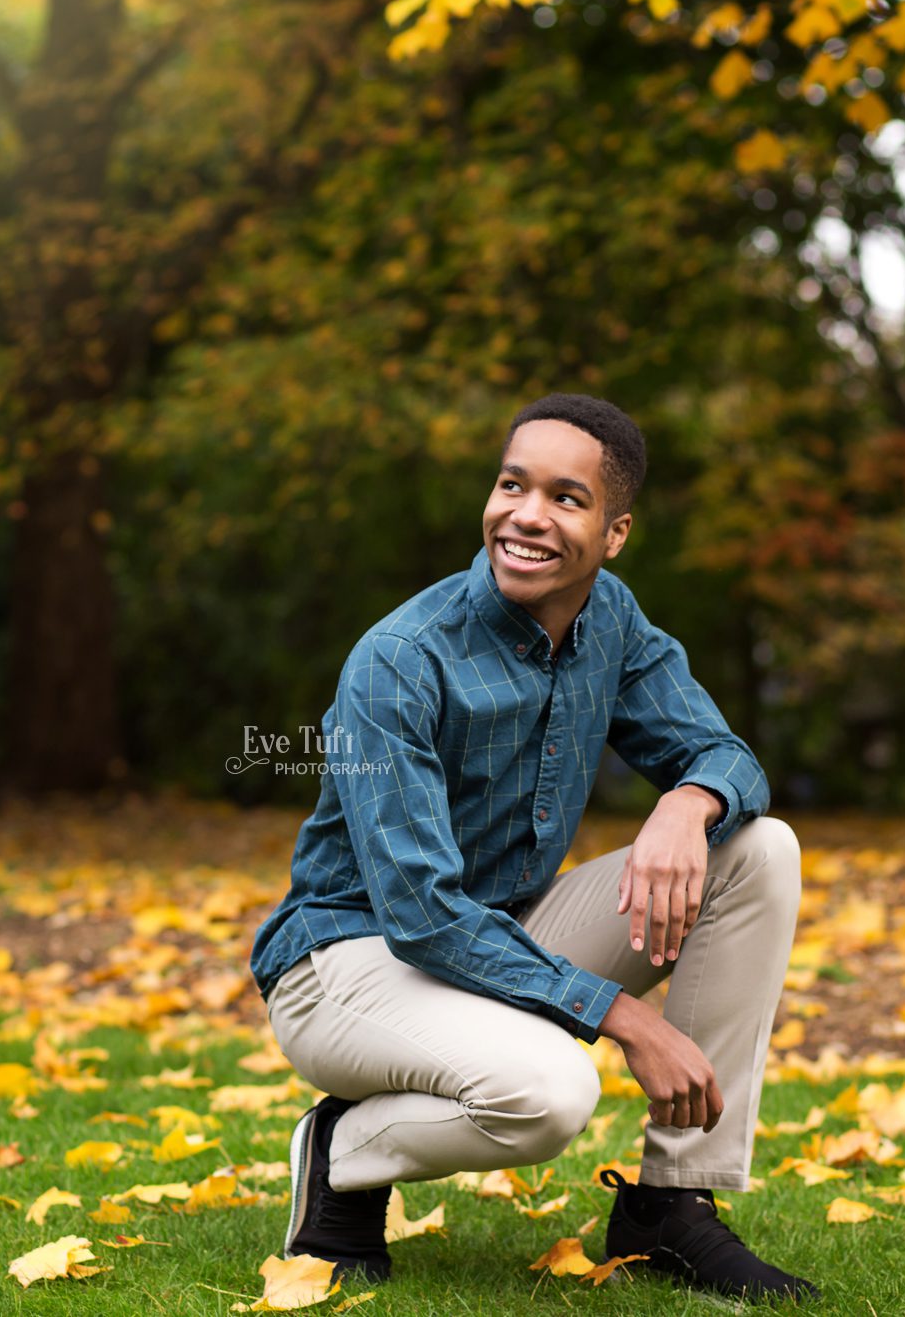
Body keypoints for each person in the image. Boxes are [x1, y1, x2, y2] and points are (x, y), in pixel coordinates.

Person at [246, 393, 817, 1304]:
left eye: (565, 496)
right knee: (552, 1092)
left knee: (759, 848)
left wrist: (688, 800)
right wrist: (625, 1018)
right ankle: (339, 1149)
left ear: (614, 531)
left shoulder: (612, 622)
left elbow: (728, 755)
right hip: (348, 959)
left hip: (497, 935)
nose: (526, 515)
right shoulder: (400, 657)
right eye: (513, 485)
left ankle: (672, 1203)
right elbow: (423, 912)